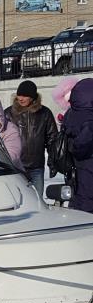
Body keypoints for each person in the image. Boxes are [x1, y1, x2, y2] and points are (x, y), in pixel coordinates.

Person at [5, 80, 57, 196]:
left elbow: (52, 139)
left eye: (25, 96)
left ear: (32, 97)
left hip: (36, 167)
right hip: (16, 167)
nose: (21, 98)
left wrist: (53, 161)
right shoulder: (8, 113)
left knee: (38, 200)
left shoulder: (44, 113)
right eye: (19, 95)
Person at [61, 78, 93, 213]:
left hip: (76, 167)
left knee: (80, 200)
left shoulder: (71, 113)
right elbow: (81, 144)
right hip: (87, 166)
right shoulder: (90, 118)